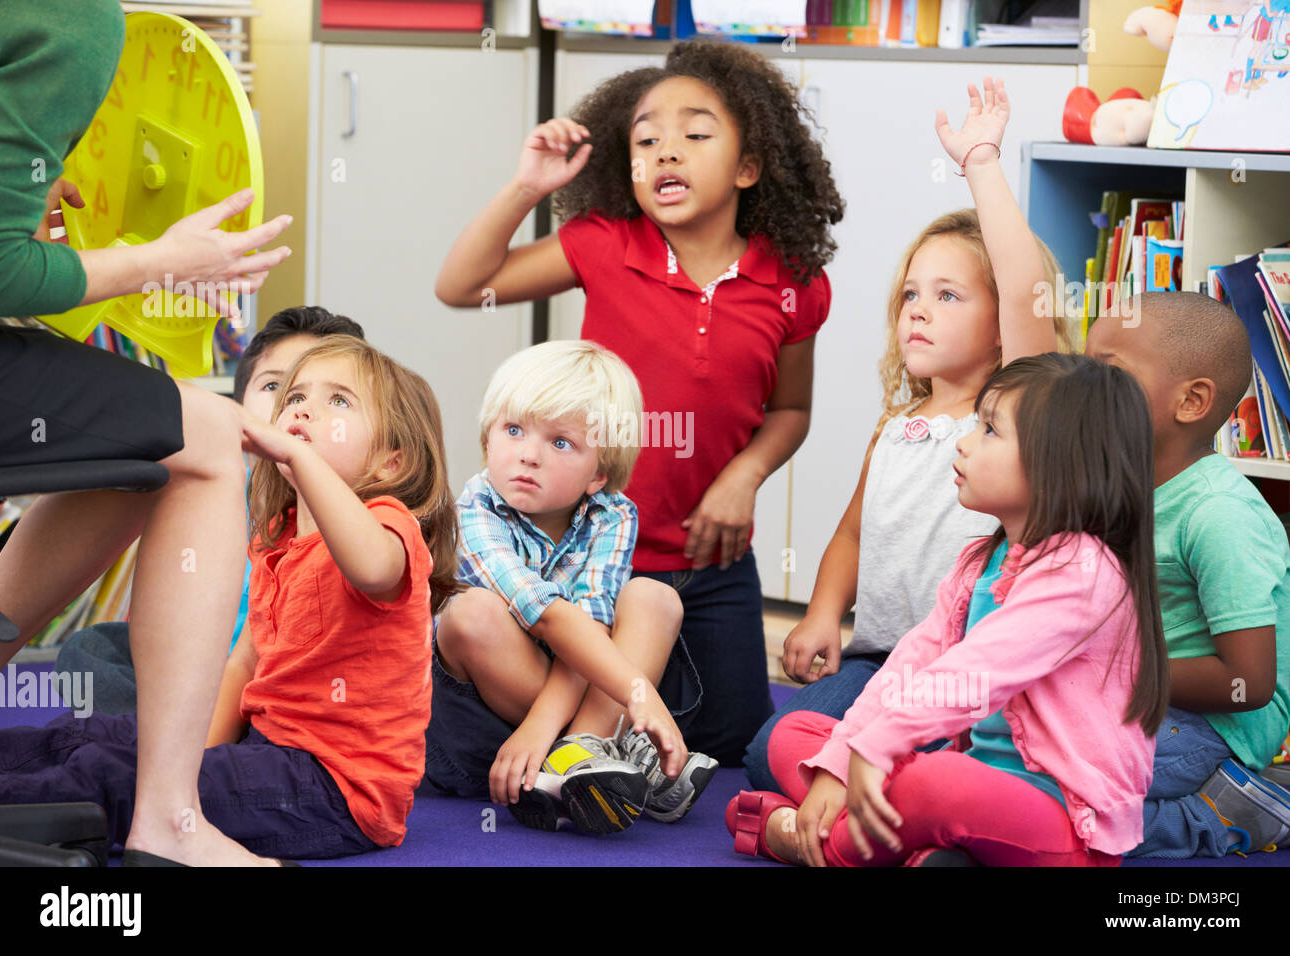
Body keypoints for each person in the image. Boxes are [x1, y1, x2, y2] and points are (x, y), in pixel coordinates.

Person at [436, 39, 843, 765]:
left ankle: (603, 745)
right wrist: (526, 187)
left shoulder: (794, 284)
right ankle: (577, 750)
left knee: (734, 750)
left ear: (750, 166)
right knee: (605, 706)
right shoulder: (603, 246)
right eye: (646, 140)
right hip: (590, 560)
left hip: (712, 564)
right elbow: (463, 286)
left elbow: (791, 411)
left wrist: (744, 475)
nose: (666, 153)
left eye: (694, 134)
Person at [0, 0, 292, 865]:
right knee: (200, 435)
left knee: (135, 447)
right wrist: (167, 260)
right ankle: (170, 821)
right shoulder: (73, 19)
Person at [0, 335, 456, 861]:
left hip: (334, 791)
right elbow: (246, 661)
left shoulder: (389, 526)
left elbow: (371, 568)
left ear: (393, 463)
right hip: (263, 754)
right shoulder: (276, 538)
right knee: (88, 737)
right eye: (295, 397)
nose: (304, 409)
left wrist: (300, 458)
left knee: (111, 774)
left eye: (339, 402)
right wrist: (185, 763)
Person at [743, 78, 1071, 789]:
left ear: (999, 327)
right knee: (767, 754)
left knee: (945, 770)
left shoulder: (1019, 409)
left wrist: (980, 162)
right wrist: (824, 616)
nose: (918, 311)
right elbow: (854, 535)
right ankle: (886, 799)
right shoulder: (898, 428)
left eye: (948, 295)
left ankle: (898, 796)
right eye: (911, 295)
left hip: (976, 670)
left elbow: (1023, 291)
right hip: (880, 658)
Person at [727, 353, 1169, 867]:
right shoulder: (979, 561)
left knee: (931, 780)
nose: (963, 441)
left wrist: (877, 750)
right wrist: (845, 761)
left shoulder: (1083, 572)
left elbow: (973, 673)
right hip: (973, 784)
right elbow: (911, 663)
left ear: (1058, 464)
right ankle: (925, 851)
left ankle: (801, 841)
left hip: (1061, 825)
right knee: (798, 735)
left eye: (988, 430)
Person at [427, 340, 717, 834]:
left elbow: (592, 624)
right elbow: (548, 617)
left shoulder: (613, 513)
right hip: (489, 738)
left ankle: (582, 753)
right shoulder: (475, 509)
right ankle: (612, 752)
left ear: (598, 474)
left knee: (655, 597)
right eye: (513, 430)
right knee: (471, 613)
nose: (528, 455)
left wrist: (576, 719)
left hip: (573, 706)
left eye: (560, 442)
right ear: (487, 439)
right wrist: (637, 691)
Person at [53, 307, 366, 716]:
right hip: (196, 674)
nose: (296, 409)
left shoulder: (356, 513)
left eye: (332, 397)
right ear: (237, 407)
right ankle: (168, 738)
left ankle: (166, 743)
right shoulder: (208, 490)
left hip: (283, 684)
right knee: (86, 654)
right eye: (277, 387)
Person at [1086, 291, 1290, 857]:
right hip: (1135, 693)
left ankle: (1216, 814)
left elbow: (1248, 683)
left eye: (1108, 374)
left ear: (1192, 401)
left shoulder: (1219, 513)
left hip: (1215, 726)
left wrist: (1109, 672)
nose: (1083, 389)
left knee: (1054, 802)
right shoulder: (1118, 488)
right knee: (997, 750)